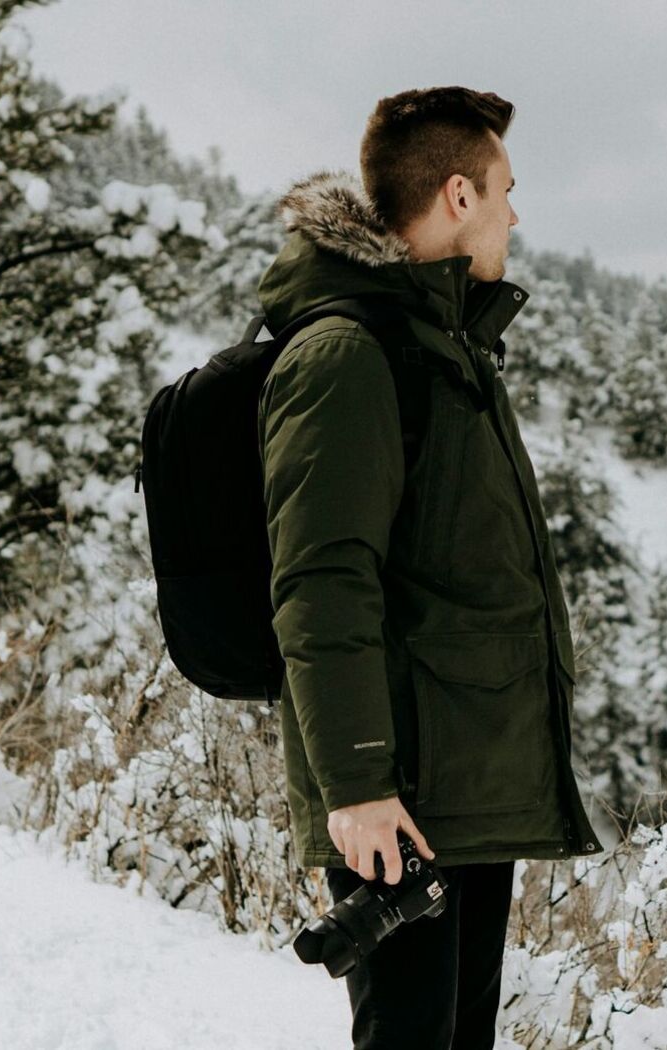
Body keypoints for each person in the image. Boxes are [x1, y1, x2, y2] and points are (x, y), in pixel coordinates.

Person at [254, 85, 608, 1050]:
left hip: (462, 786)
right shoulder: (346, 355)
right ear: (459, 196)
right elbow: (322, 583)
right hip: (398, 796)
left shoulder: (444, 347)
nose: (515, 213)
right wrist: (359, 786)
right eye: (504, 189)